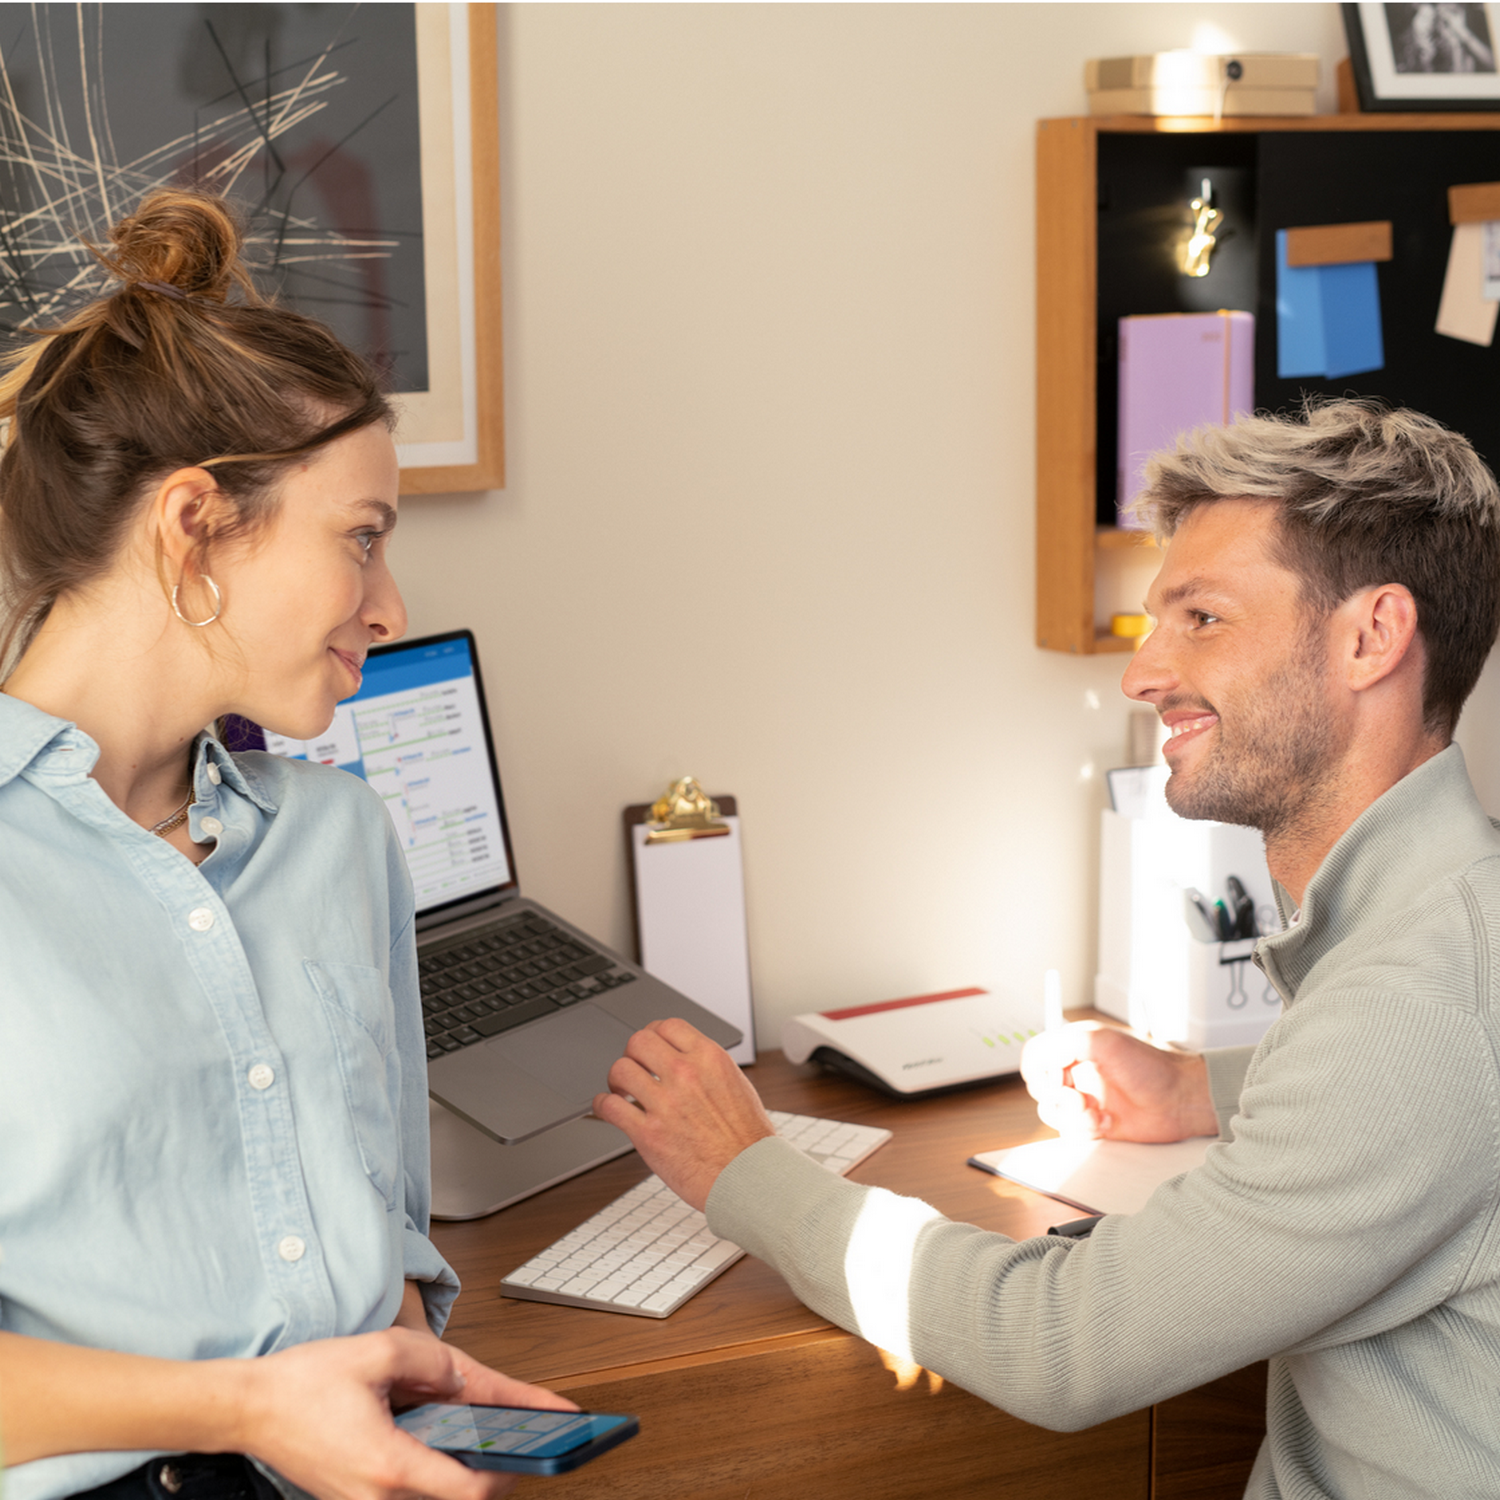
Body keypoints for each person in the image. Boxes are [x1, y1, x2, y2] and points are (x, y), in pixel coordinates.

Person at [595, 399, 1500, 1499]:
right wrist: (1194, 1086)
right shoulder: (1453, 926)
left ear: (1372, 637)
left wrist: (743, 1171)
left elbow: (1062, 1343)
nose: (1143, 672)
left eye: (1201, 618)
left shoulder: (1410, 1010)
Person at [0, 191, 571, 1500]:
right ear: (195, 524)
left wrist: (414, 1389)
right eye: (360, 540)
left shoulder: (338, 839)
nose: (391, 603)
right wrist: (253, 1408)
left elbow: (390, 1232)